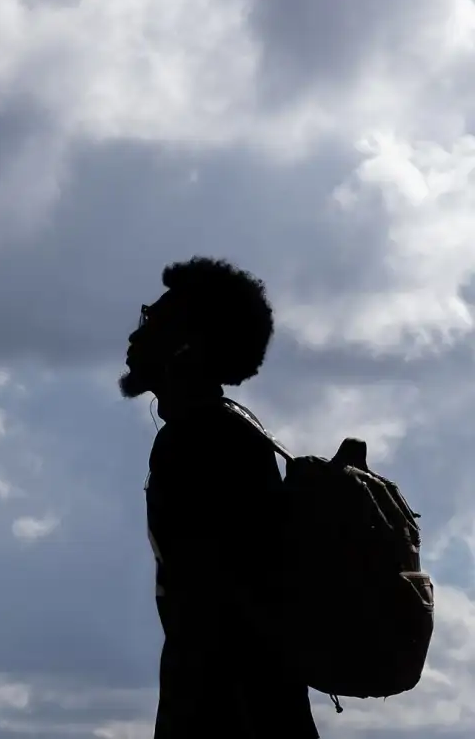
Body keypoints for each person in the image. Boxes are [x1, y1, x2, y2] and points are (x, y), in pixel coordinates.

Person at [119, 256, 319, 738]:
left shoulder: (200, 442)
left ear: (189, 345)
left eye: (155, 320)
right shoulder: (224, 434)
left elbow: (223, 608)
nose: (135, 336)